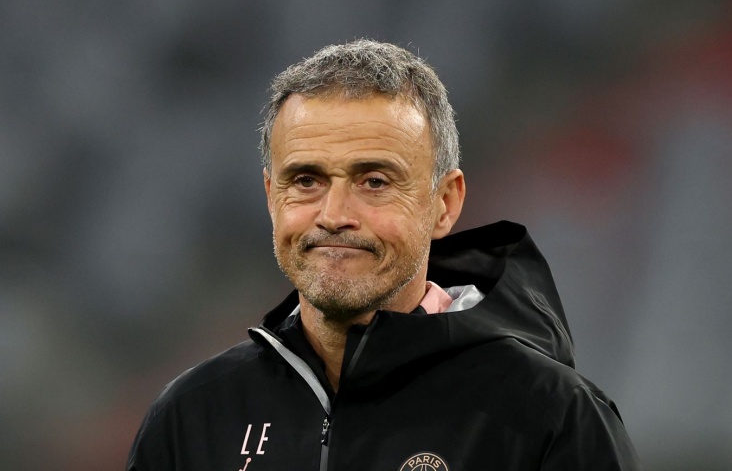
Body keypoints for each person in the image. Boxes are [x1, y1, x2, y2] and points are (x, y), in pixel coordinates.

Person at [127, 39, 641, 471]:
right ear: (270, 197)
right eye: (305, 181)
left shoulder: (551, 417)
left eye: (374, 181)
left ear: (445, 203)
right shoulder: (190, 417)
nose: (334, 214)